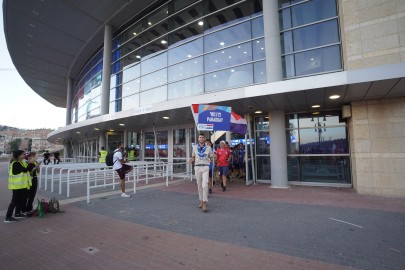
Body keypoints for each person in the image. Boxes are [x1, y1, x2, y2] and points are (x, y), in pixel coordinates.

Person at [4, 150, 35, 223]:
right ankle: (8, 217)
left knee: (21, 200)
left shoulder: (22, 162)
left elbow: (28, 169)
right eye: (23, 154)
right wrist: (30, 163)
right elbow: (24, 170)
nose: (25, 155)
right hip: (17, 186)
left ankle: (17, 213)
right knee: (14, 201)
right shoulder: (15, 163)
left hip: (23, 185)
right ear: (19, 156)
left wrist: (32, 164)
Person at [189, 134, 213, 212]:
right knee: (199, 185)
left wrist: (213, 158)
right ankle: (201, 200)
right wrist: (191, 160)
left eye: (203, 137)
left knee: (205, 184)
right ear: (198, 138)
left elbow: (211, 156)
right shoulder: (195, 147)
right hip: (197, 167)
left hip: (206, 167)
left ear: (204, 139)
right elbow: (193, 156)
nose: (201, 138)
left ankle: (205, 202)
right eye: (200, 137)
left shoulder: (208, 147)